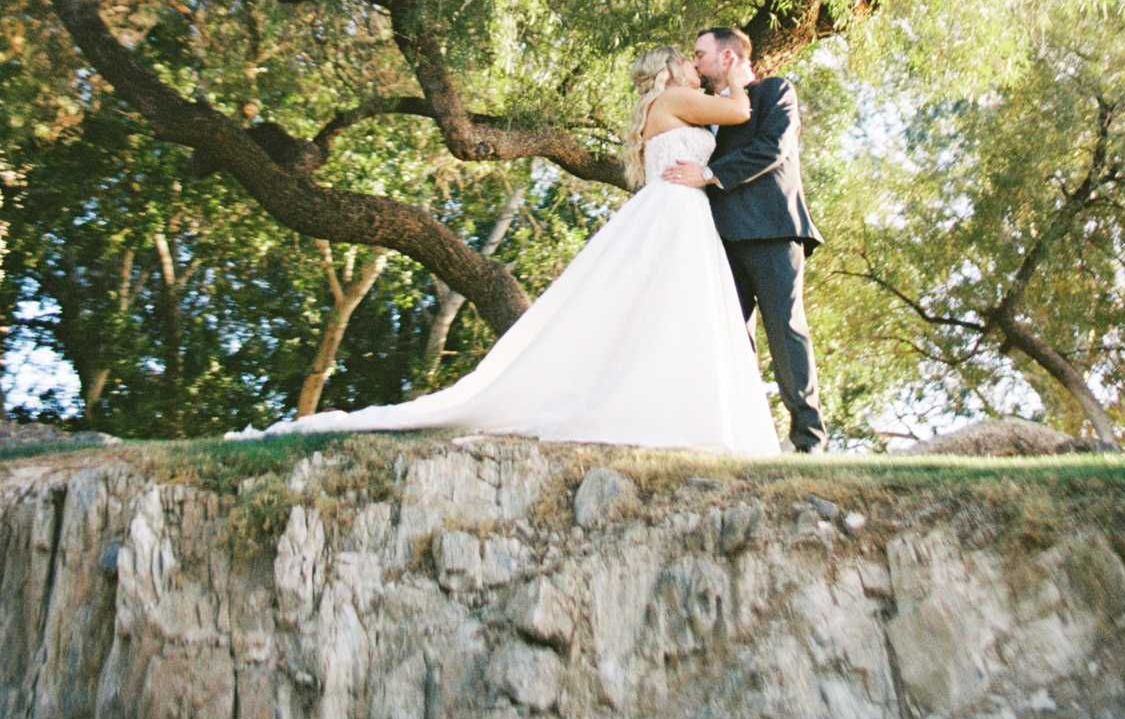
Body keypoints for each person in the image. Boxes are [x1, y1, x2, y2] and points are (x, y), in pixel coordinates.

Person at [234, 45, 780, 456]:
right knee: (678, 313)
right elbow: (737, 113)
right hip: (678, 213)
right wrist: (738, 75)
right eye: (689, 60)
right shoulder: (678, 96)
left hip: (671, 210)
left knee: (656, 312)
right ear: (671, 69)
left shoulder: (656, 104)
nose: (695, 65)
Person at [663, 27, 827, 453]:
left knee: (786, 330)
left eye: (701, 54)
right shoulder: (702, 109)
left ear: (730, 57)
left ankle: (808, 439)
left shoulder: (774, 92)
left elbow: (773, 148)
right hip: (718, 240)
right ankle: (747, 438)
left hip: (771, 230)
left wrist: (709, 174)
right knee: (730, 340)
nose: (694, 62)